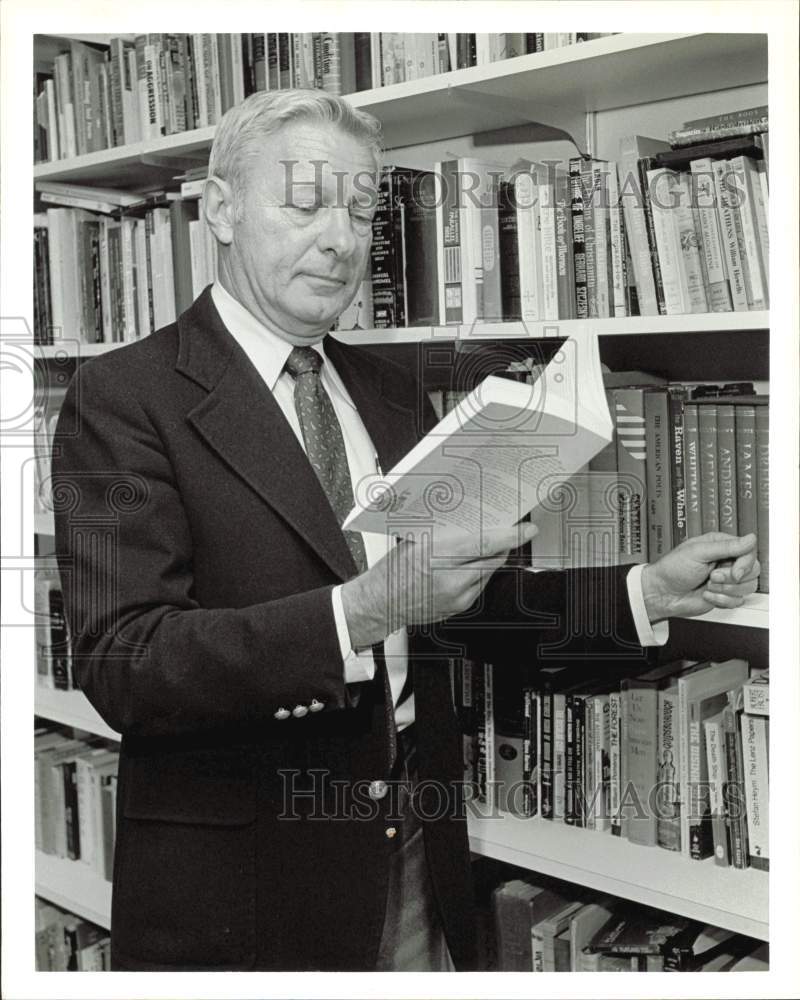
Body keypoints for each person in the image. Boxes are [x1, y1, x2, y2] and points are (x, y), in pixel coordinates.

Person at [52, 90, 760, 973]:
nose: (341, 239)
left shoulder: (386, 391)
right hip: (248, 883)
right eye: (306, 204)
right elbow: (126, 660)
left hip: (416, 854)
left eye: (358, 210)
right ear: (221, 212)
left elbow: (458, 606)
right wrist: (361, 612)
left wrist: (643, 591)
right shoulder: (121, 397)